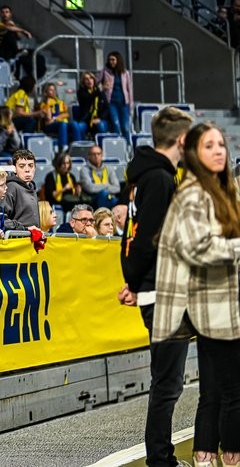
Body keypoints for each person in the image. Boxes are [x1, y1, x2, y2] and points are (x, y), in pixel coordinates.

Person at [153, 123, 240, 467]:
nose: (219, 150)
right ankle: (228, 458)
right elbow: (197, 249)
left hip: (225, 300)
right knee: (231, 392)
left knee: (217, 390)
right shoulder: (192, 194)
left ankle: (205, 456)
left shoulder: (224, 191)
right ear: (193, 153)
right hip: (210, 302)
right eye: (209, 145)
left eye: (221, 144)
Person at [118, 105, 194, 467]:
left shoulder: (146, 175)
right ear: (181, 139)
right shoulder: (160, 179)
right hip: (163, 291)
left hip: (155, 287)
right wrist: (135, 280)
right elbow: (146, 236)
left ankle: (161, 458)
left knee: (168, 381)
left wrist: (132, 280)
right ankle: (160, 460)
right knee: (167, 383)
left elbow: (129, 236)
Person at [98, 51, 134, 143]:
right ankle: (117, 144)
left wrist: (131, 105)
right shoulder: (105, 71)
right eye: (110, 60)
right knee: (116, 124)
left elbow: (129, 90)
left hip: (123, 103)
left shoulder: (125, 73)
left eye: (113, 60)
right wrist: (102, 87)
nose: (111, 62)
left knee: (125, 127)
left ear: (118, 60)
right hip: (111, 102)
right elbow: (95, 83)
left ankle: (127, 145)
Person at [38, 82, 82, 151]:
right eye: (50, 90)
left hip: (62, 123)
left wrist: (55, 118)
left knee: (74, 123)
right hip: (50, 126)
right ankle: (63, 146)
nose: (53, 92)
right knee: (63, 124)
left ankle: (78, 146)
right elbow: (49, 118)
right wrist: (48, 104)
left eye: (54, 90)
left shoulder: (60, 102)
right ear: (46, 92)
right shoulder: (43, 104)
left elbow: (67, 114)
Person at [3, 148, 40, 230]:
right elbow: (2, 220)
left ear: (35, 168)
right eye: (22, 166)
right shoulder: (11, 187)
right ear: (14, 169)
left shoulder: (32, 187)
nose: (27, 170)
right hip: (17, 240)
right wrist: (24, 229)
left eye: (31, 166)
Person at [80, 144, 120, 209]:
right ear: (89, 156)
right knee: (104, 193)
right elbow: (90, 188)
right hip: (93, 200)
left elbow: (117, 188)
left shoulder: (109, 168)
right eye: (93, 154)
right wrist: (106, 185)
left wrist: (101, 187)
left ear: (102, 155)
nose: (96, 156)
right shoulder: (84, 170)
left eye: (98, 154)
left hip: (110, 197)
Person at [75, 70, 109, 137]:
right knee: (79, 127)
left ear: (93, 80)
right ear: (83, 82)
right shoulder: (81, 92)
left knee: (101, 125)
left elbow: (107, 108)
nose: (89, 81)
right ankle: (81, 146)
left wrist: (100, 118)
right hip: (87, 120)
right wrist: (100, 89)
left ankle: (101, 146)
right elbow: (89, 98)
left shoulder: (100, 93)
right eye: (86, 79)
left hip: (99, 118)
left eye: (91, 78)